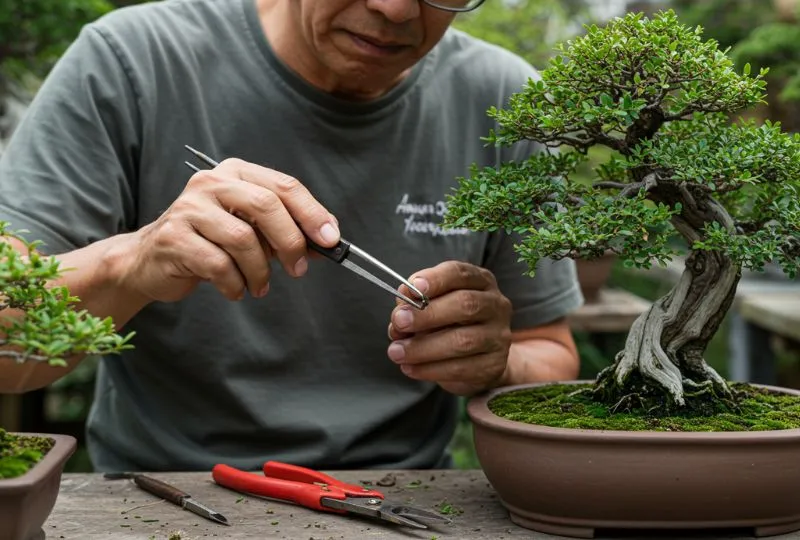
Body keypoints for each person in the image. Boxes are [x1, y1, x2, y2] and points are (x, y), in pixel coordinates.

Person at [0, 0, 583, 473]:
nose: (397, 10)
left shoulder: (505, 103)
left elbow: (551, 354)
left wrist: (495, 363)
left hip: (403, 497)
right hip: (163, 492)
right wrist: (133, 261)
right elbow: (8, 353)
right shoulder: (133, 62)